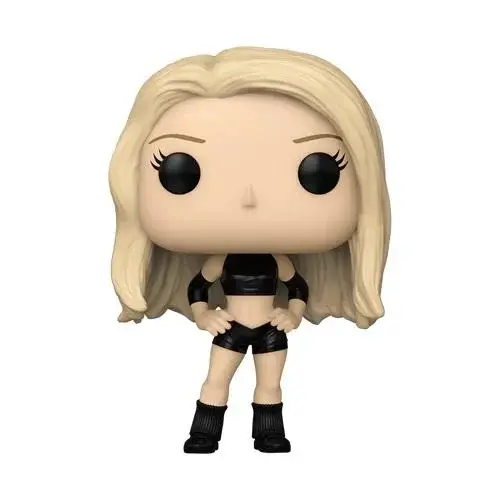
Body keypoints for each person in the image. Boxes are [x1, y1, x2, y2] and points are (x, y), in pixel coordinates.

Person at [108, 47, 391, 453]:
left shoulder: (279, 262)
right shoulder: (220, 261)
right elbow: (198, 288)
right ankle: (204, 433)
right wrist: (204, 315)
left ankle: (269, 433)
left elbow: (297, 288)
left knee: (270, 385)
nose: (249, 198)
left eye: (317, 170)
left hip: (271, 330)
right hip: (231, 328)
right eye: (180, 171)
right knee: (216, 380)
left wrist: (292, 314)